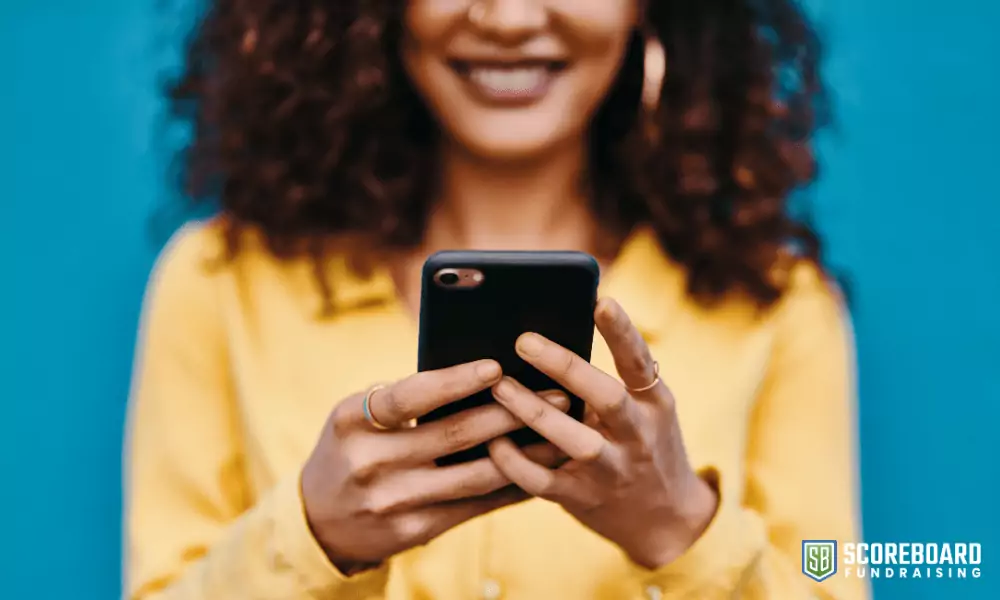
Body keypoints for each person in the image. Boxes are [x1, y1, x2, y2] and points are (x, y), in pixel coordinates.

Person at [124, 0, 868, 598]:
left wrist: (682, 531)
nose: (509, 19)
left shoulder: (779, 303)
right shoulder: (219, 280)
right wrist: (313, 538)